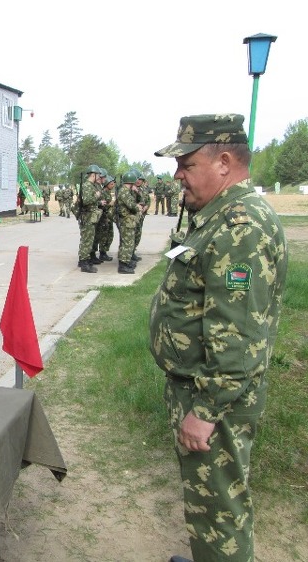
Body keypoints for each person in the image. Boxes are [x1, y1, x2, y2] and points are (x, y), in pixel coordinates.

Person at [149, 114, 287, 562]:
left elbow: (239, 338)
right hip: (203, 390)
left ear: (224, 162)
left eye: (186, 164)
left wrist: (204, 412)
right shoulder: (219, 215)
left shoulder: (240, 228)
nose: (177, 175)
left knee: (220, 509)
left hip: (215, 400)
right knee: (210, 503)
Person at [76, 164, 102, 273]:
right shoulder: (87, 186)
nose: (99, 177)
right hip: (87, 216)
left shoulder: (91, 186)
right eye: (98, 175)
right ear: (93, 175)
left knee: (88, 239)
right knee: (87, 240)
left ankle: (84, 260)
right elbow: (86, 201)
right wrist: (96, 196)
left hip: (90, 216)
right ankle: (84, 263)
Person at [115, 171, 141, 274]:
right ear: (131, 182)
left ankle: (126, 261)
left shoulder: (126, 191)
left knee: (128, 242)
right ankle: (123, 265)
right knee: (127, 243)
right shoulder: (124, 192)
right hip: (126, 220)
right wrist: (137, 207)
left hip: (128, 220)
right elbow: (131, 205)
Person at [93, 173, 115, 262]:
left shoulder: (108, 193)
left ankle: (104, 252)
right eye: (111, 184)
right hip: (104, 217)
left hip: (108, 218)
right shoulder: (103, 192)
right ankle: (102, 253)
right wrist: (110, 204)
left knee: (109, 235)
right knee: (103, 236)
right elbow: (102, 206)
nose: (113, 185)